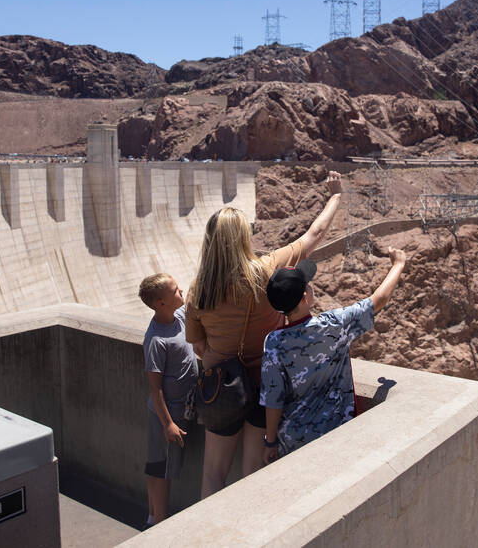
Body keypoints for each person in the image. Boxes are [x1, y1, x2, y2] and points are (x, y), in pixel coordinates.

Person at [185, 169, 343, 498]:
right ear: (243, 238)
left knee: (213, 475)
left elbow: (198, 346)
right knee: (252, 475)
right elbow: (313, 235)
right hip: (264, 386)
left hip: (220, 389)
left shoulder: (198, 290)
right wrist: (335, 197)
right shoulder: (266, 269)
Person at [260, 247, 407, 464]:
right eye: (307, 285)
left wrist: (270, 442)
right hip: (337, 434)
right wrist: (398, 265)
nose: (311, 286)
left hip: (293, 442)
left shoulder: (273, 343)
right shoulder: (334, 325)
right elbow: (379, 299)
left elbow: (274, 399)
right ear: (303, 298)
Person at [138, 273, 198, 525]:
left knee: (157, 466)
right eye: (174, 291)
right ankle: (160, 525)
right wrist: (169, 425)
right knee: (163, 470)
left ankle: (153, 516)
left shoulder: (179, 318)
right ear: (160, 303)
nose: (180, 291)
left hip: (175, 411)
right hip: (169, 414)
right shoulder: (156, 339)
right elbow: (155, 388)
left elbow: (194, 295)